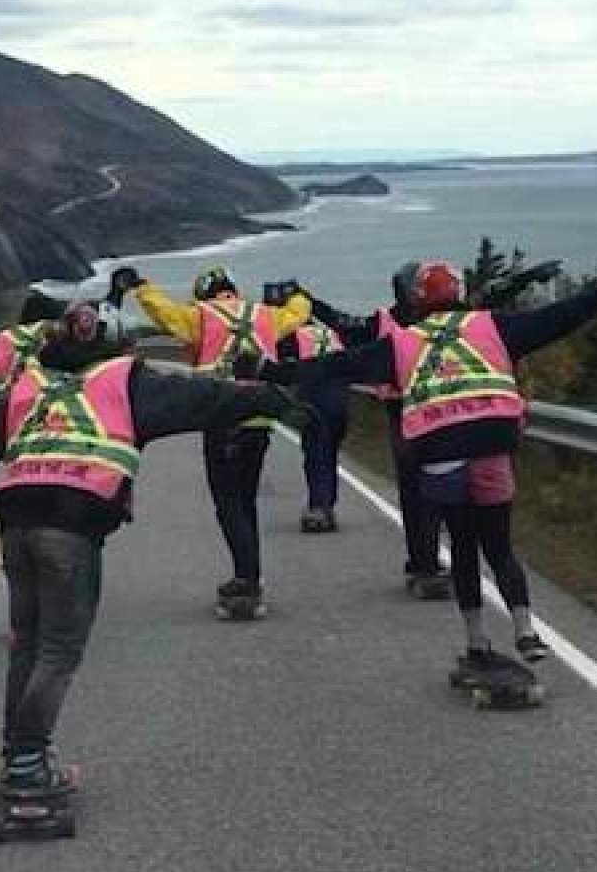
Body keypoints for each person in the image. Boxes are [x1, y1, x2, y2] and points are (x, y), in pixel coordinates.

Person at [0, 303, 310, 798]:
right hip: (74, 518)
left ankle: (20, 758)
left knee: (28, 641)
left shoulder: (31, 384)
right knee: (60, 649)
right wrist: (273, 399)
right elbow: (205, 397)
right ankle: (27, 760)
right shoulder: (128, 380)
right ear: (121, 343)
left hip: (17, 516)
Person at [272, 261, 597, 666]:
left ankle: (477, 641)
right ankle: (525, 631)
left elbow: (337, 366)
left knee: (463, 545)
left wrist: (272, 370)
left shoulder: (402, 341)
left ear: (414, 298)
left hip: (438, 448)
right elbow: (558, 317)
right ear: (460, 294)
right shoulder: (491, 326)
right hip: (491, 444)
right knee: (499, 546)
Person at [111, 264, 312, 618]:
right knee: (245, 500)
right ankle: (249, 574)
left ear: (204, 293)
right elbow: (298, 314)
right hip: (261, 419)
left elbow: (164, 313)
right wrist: (295, 293)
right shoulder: (266, 315)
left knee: (228, 503)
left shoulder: (200, 316)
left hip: (221, 417)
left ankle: (247, 583)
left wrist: (140, 287)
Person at [303, 265, 451, 597]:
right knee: (428, 488)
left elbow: (343, 325)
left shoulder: (385, 323)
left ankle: (424, 562)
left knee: (419, 490)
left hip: (412, 412)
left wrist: (307, 301)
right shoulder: (439, 320)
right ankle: (425, 563)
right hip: (427, 410)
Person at [270, 285, 350, 533]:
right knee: (328, 454)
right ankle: (326, 505)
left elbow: (279, 369)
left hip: (316, 399)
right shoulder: (329, 332)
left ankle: (320, 507)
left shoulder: (293, 335)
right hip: (341, 399)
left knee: (316, 454)